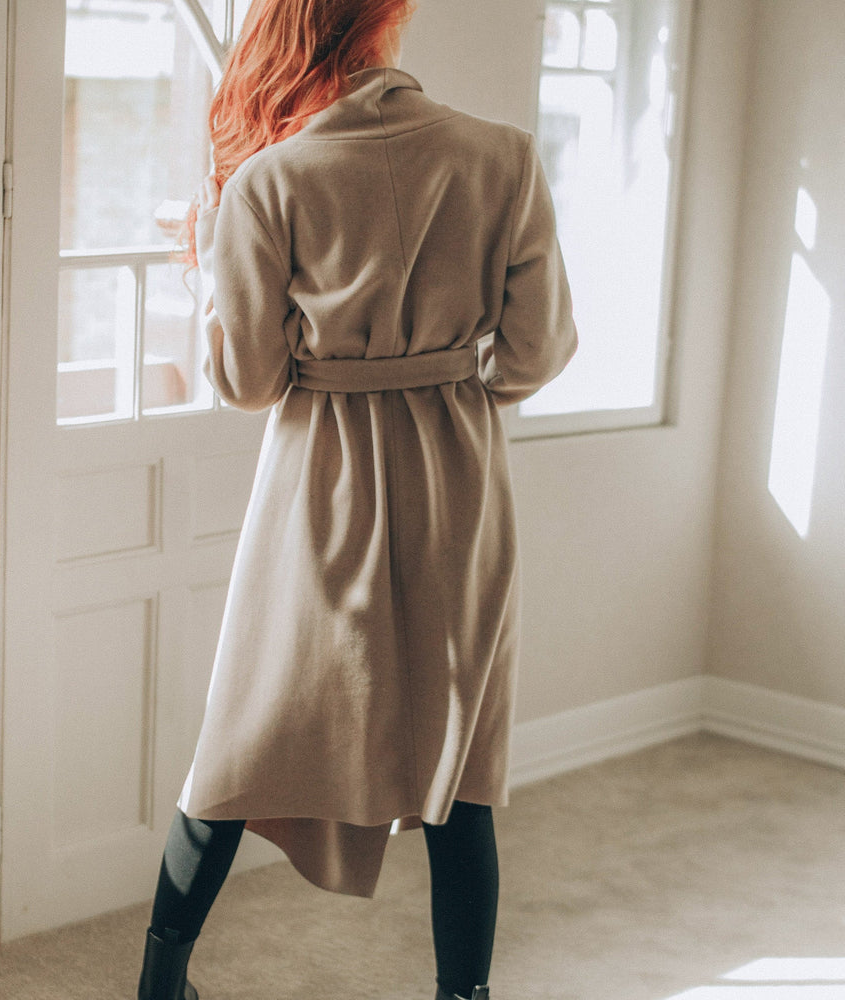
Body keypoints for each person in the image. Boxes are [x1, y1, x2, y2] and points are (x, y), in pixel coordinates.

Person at [138, 1, 577, 998]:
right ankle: (464, 995)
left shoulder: (267, 183)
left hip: (316, 488)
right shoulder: (504, 158)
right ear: (381, 26)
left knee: (242, 736)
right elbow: (539, 350)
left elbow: (247, 380)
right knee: (459, 766)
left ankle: (161, 980)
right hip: (460, 486)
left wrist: (216, 271)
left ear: (290, 38)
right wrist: (446, 388)